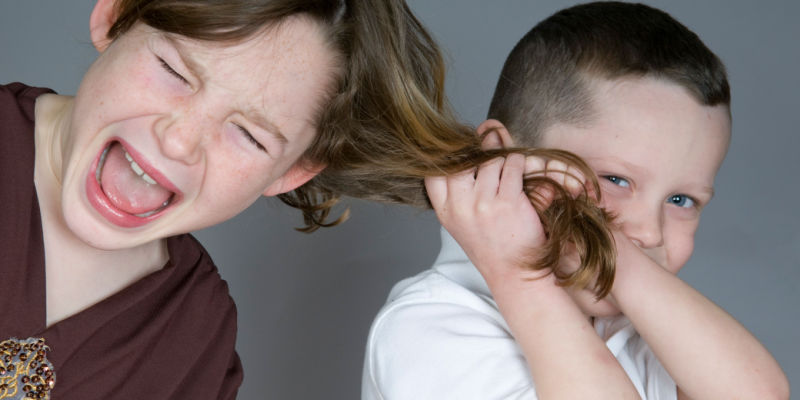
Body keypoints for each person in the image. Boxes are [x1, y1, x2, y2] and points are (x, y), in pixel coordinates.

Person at [3, 0, 606, 398]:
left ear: (291, 172)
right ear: (114, 16)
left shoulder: (197, 338)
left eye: (248, 133)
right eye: (174, 71)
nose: (179, 140)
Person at [362, 2, 790, 399]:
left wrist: (619, 261)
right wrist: (517, 275)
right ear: (501, 159)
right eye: (615, 179)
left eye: (681, 199)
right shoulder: (430, 327)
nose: (649, 232)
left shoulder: (641, 326)